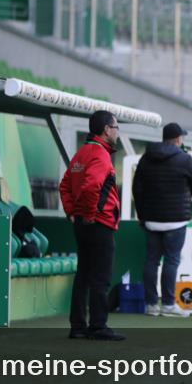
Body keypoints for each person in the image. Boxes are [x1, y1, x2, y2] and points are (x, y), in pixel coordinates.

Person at [59, 110, 125, 341]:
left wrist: (72, 213)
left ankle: (78, 327)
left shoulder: (82, 153)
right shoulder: (100, 154)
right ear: (106, 129)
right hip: (99, 222)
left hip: (82, 223)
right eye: (116, 128)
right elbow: (91, 186)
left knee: (83, 275)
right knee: (100, 277)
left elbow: (65, 185)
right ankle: (98, 326)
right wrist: (88, 214)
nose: (117, 133)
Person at [133, 122, 192, 318]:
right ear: (178, 139)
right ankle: (168, 305)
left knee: (151, 261)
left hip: (151, 219)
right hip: (176, 220)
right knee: (171, 261)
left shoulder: (146, 157)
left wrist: (142, 216)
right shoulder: (184, 159)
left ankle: (151, 305)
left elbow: (137, 188)